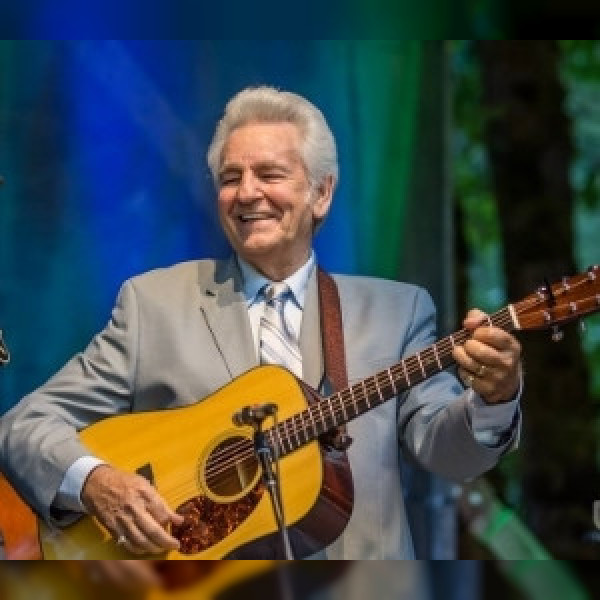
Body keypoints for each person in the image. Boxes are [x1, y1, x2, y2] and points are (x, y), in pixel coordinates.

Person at [0, 87, 522, 572]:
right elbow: (24, 425)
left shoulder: (396, 310)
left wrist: (495, 399)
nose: (247, 193)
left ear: (321, 193)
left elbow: (448, 454)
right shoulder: (152, 304)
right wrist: (97, 482)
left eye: (269, 174)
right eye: (231, 178)